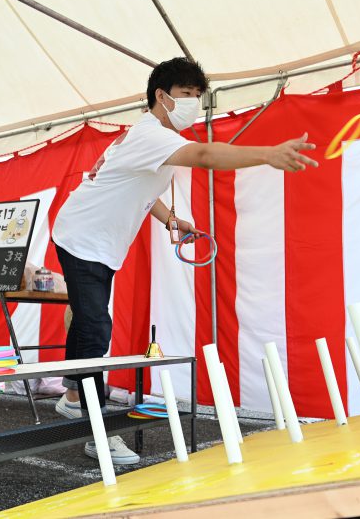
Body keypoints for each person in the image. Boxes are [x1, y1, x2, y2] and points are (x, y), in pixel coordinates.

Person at [51, 57, 318, 464]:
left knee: (87, 319)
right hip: (82, 237)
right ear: (161, 96)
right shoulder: (151, 135)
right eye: (186, 94)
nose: (194, 102)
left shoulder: (143, 136)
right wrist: (268, 154)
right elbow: (206, 155)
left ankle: (72, 397)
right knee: (95, 327)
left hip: (93, 240)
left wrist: (171, 220)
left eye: (197, 95)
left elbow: (140, 189)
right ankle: (96, 432)